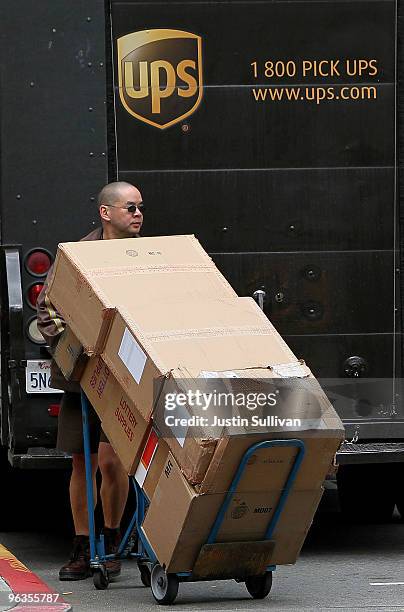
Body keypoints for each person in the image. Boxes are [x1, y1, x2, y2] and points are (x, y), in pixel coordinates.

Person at [37, 181, 144, 580]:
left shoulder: (145, 256)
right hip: (82, 376)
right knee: (82, 463)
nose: (137, 215)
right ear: (106, 212)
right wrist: (72, 347)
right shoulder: (77, 257)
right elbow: (47, 307)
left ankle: (111, 542)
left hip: (124, 377)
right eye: (130, 208)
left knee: (112, 461)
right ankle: (83, 547)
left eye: (140, 208)